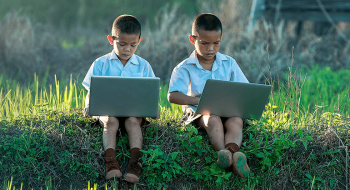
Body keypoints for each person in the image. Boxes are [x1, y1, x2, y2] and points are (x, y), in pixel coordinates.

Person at [167, 13, 250, 178]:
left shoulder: (229, 63)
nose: (210, 49)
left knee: (236, 120)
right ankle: (223, 153)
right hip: (199, 110)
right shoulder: (184, 67)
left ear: (221, 38)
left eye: (216, 43)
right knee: (212, 118)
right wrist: (197, 100)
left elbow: (244, 88)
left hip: (226, 108)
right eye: (204, 43)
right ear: (192, 39)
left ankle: (232, 154)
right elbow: (173, 95)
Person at [82, 15, 157, 183]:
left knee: (132, 121)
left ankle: (134, 163)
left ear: (140, 40)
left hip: (133, 111)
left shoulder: (144, 66)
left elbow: (149, 92)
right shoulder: (101, 63)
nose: (127, 49)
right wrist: (88, 106)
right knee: (111, 121)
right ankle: (111, 162)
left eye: (133, 45)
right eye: (122, 44)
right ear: (111, 39)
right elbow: (91, 90)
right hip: (107, 110)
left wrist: (153, 108)